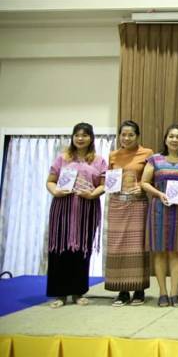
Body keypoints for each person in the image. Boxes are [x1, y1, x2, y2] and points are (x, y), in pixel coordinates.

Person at [46, 122, 107, 308]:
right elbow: (50, 181)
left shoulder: (98, 160)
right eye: (77, 135)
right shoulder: (62, 158)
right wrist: (55, 191)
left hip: (86, 211)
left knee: (82, 250)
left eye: (85, 135)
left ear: (91, 138)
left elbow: (104, 185)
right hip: (62, 210)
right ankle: (60, 294)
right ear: (72, 137)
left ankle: (78, 292)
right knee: (60, 250)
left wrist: (92, 194)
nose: (80, 138)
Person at [141, 124, 178, 307]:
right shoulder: (154, 160)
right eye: (171, 136)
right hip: (159, 209)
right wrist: (159, 194)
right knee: (160, 252)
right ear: (165, 139)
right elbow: (144, 183)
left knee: (176, 252)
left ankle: (174, 293)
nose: (174, 140)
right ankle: (162, 293)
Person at [105, 120, 153, 306]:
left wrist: (142, 187)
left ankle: (139, 290)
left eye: (131, 135)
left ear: (137, 136)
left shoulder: (147, 153)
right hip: (117, 204)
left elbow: (152, 178)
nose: (126, 138)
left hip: (138, 204)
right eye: (123, 135)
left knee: (138, 247)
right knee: (118, 247)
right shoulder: (113, 155)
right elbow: (109, 179)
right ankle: (122, 291)